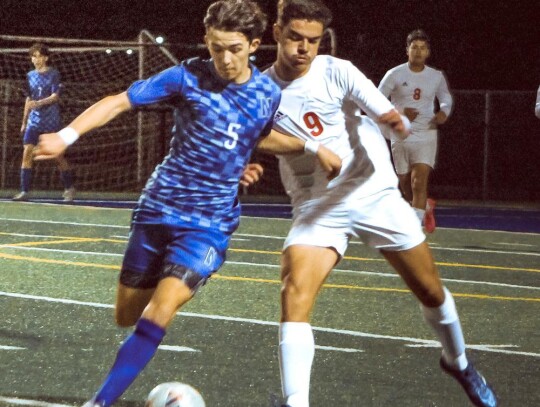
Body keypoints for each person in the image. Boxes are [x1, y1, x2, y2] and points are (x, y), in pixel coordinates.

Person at [34, 1, 338, 406]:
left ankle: (98, 402)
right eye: (216, 48)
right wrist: (66, 136)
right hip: (158, 210)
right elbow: (118, 101)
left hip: (209, 224)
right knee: (127, 315)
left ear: (254, 44)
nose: (225, 59)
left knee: (160, 310)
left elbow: (254, 135)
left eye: (234, 48)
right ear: (206, 41)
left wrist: (310, 146)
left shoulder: (267, 94)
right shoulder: (186, 77)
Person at [256, 1, 497, 406]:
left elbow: (379, 106)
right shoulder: (260, 90)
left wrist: (392, 119)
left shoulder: (337, 70)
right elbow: (253, 135)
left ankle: (457, 361)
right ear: (277, 33)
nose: (304, 48)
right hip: (318, 204)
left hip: (375, 193)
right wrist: (309, 147)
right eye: (295, 38)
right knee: (294, 289)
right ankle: (295, 401)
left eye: (312, 40)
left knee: (431, 291)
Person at [378, 29, 453, 233]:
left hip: (426, 133)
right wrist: (399, 112)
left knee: (418, 181)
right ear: (407, 50)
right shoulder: (394, 74)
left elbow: (446, 98)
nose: (418, 52)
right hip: (400, 133)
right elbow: (375, 99)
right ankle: (425, 207)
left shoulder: (435, 76)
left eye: (422, 48)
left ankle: (414, 232)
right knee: (405, 184)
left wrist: (443, 112)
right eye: (414, 47)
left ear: (428, 52)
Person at [13, 42, 75, 202]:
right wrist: (24, 121)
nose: (36, 59)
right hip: (34, 122)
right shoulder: (29, 76)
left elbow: (55, 97)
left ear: (46, 57)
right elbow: (29, 99)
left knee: (57, 155)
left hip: (50, 121)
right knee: (26, 153)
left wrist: (39, 103)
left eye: (39, 56)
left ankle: (69, 188)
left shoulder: (54, 74)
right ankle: (24, 191)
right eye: (34, 56)